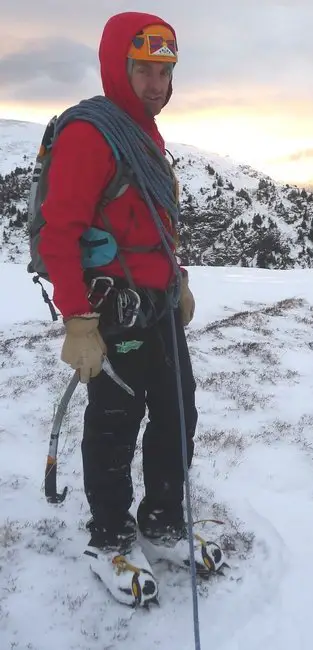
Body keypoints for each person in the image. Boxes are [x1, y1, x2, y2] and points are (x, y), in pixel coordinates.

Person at [39, 11, 199, 602]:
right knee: (114, 426)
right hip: (112, 312)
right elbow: (60, 233)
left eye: (165, 71)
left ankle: (159, 518)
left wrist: (175, 280)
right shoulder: (92, 134)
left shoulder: (143, 132)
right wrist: (79, 322)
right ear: (117, 67)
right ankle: (109, 537)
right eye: (143, 69)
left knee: (179, 412)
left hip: (154, 303)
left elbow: (153, 219)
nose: (156, 84)